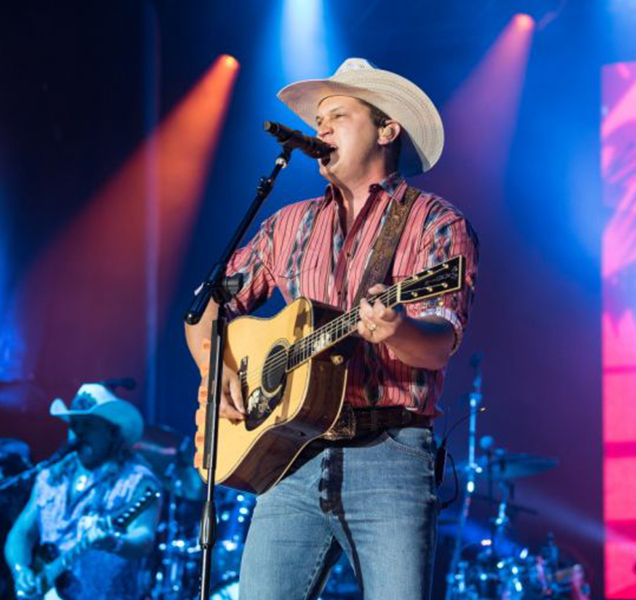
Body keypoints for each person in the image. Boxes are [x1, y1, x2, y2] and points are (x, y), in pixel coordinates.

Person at [185, 58, 479, 600]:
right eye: (319, 120)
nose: (321, 130)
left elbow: (439, 344)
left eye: (338, 115)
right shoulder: (287, 225)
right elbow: (205, 310)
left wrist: (396, 328)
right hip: (289, 456)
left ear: (387, 129)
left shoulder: (436, 223)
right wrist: (218, 366)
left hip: (390, 452)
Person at [4, 383, 160, 600]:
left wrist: (115, 542)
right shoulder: (49, 477)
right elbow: (22, 533)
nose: (78, 432)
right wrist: (21, 571)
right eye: (74, 424)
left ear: (112, 432)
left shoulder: (137, 481)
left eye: (88, 425)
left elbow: (143, 537)